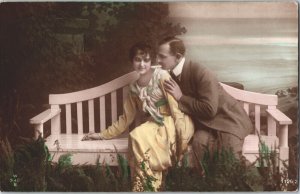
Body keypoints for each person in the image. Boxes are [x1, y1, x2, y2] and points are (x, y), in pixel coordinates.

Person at [82, 42, 194, 191]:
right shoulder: (134, 88)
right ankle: (146, 187)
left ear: (151, 62)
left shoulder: (162, 76)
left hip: (170, 123)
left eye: (146, 60)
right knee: (137, 136)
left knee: (137, 135)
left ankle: (146, 187)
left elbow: (175, 108)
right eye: (137, 60)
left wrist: (182, 137)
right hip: (153, 125)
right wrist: (101, 135)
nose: (142, 64)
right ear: (132, 61)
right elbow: (126, 119)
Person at [158, 36, 254, 163]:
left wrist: (181, 97)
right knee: (199, 144)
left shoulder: (200, 72)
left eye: (162, 57)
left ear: (178, 56)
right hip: (205, 124)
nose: (157, 60)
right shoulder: (171, 75)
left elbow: (209, 110)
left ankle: (256, 182)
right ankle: (205, 181)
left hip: (228, 120)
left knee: (230, 158)